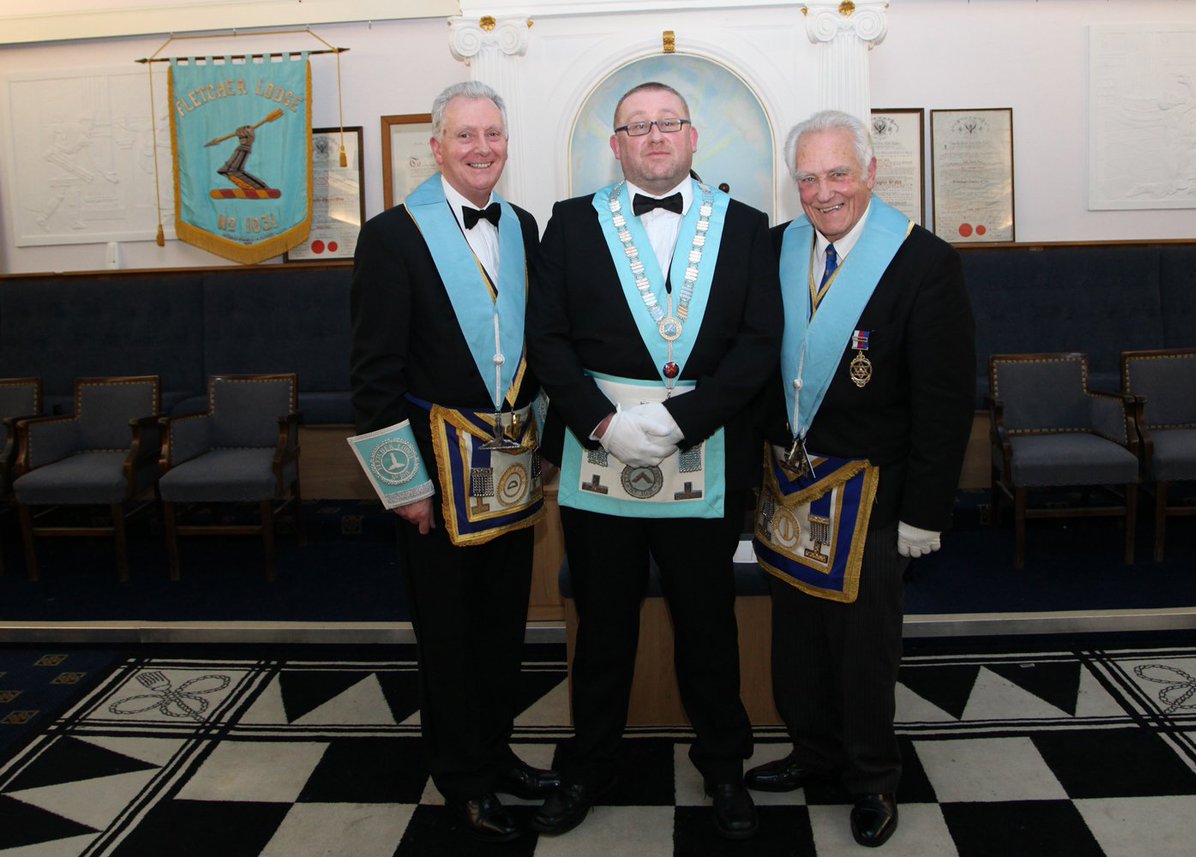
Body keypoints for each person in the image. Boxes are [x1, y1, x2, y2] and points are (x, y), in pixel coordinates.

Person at [527, 81, 782, 840]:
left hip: (703, 451)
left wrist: (679, 421)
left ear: (693, 135)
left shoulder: (746, 227)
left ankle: (725, 764)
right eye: (637, 126)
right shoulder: (569, 227)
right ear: (616, 145)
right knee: (602, 625)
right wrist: (603, 421)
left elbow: (757, 346)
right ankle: (588, 764)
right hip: (595, 455)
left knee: (708, 623)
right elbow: (548, 340)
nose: (655, 137)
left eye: (667, 123)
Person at [745, 109, 975, 848]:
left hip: (876, 492)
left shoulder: (923, 261)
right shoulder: (776, 249)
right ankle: (813, 752)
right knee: (798, 634)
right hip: (790, 484)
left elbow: (945, 401)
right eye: (807, 177)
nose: (823, 191)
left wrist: (926, 511)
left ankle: (873, 774)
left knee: (864, 644)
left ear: (870, 172)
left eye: (838, 173)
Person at [349, 80, 558, 844]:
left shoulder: (523, 225)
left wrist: (539, 453)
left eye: (494, 135)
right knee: (448, 635)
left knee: (502, 628)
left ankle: (496, 753)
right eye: (466, 135)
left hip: (507, 469)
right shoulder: (392, 236)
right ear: (435, 145)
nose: (482, 149)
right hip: (435, 476)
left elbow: (530, 353)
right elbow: (371, 376)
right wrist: (404, 486)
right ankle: (461, 779)